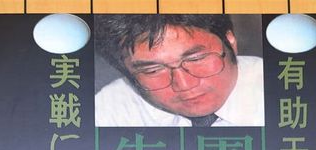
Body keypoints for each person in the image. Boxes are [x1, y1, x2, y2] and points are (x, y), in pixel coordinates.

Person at [95, 14, 264, 127]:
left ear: (230, 42)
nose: (184, 85)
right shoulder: (111, 108)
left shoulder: (275, 92)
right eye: (153, 70)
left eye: (196, 59)